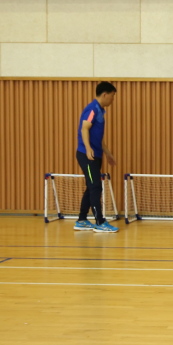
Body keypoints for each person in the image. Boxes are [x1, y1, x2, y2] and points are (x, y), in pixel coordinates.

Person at [74, 81, 119, 233]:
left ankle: (81, 220)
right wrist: (87, 148)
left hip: (95, 155)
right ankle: (100, 222)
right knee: (95, 187)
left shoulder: (100, 111)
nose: (113, 99)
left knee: (91, 187)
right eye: (112, 96)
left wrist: (108, 154)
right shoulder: (92, 109)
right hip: (87, 155)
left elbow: (98, 137)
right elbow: (84, 128)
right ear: (105, 94)